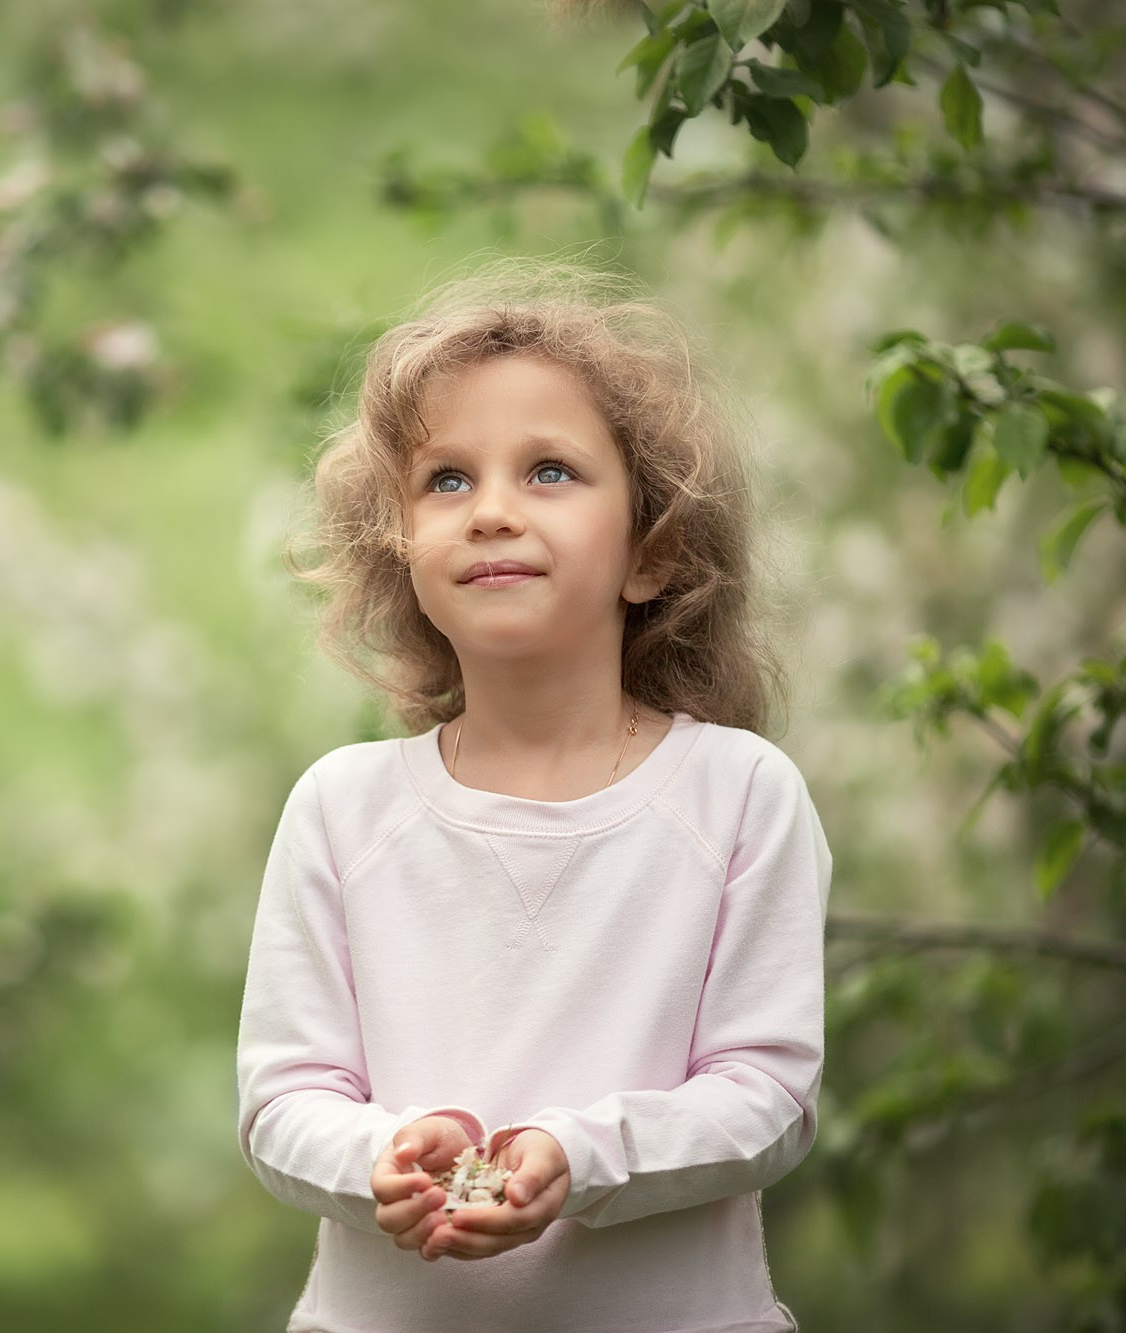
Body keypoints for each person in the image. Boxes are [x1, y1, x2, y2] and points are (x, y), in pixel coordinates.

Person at [234, 253, 831, 1333]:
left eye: (548, 470)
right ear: (398, 547)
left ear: (650, 552)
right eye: (445, 478)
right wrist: (381, 1158)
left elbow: (767, 1097)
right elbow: (282, 1103)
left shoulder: (738, 795)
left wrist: (580, 1155)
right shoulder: (342, 809)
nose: (492, 510)